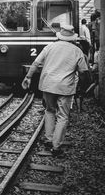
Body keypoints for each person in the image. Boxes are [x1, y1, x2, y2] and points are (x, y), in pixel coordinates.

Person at [21, 24, 89, 157]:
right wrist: (82, 88)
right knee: (63, 116)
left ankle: (49, 139)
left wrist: (28, 77)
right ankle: (56, 147)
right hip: (65, 87)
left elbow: (36, 63)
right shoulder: (77, 51)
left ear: (60, 36)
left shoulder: (50, 47)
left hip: (48, 85)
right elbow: (83, 72)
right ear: (73, 37)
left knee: (49, 111)